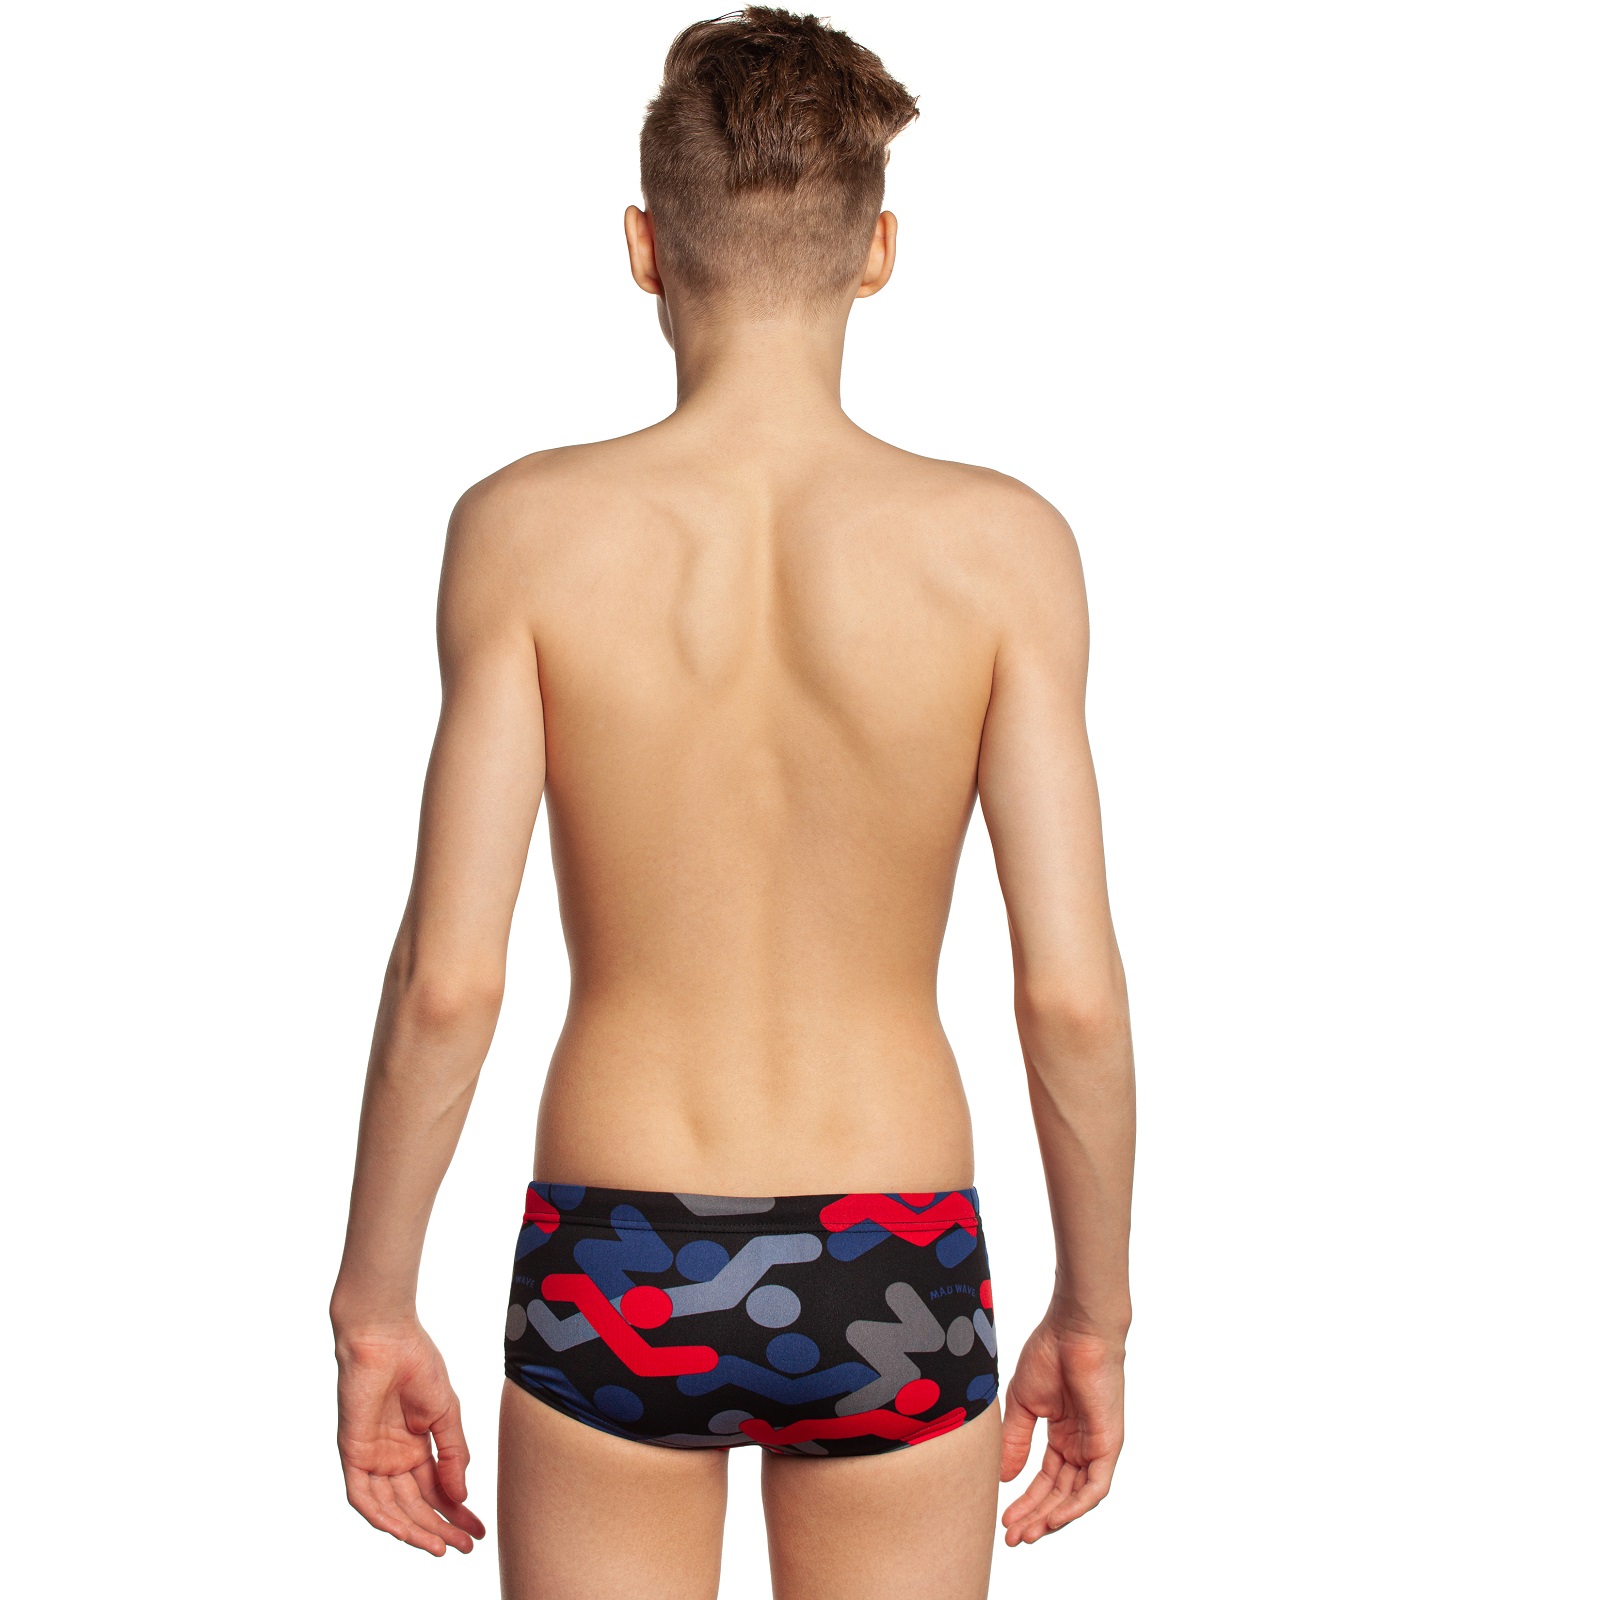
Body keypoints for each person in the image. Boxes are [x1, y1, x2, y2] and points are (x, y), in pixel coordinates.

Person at [329, 8, 1135, 1597]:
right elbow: (1071, 997)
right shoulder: (1002, 550)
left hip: (617, 1246)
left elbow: (448, 982)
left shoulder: (525, 532)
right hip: (895, 1246)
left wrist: (373, 1307)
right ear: (878, 252)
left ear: (643, 247)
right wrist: (1094, 1315)